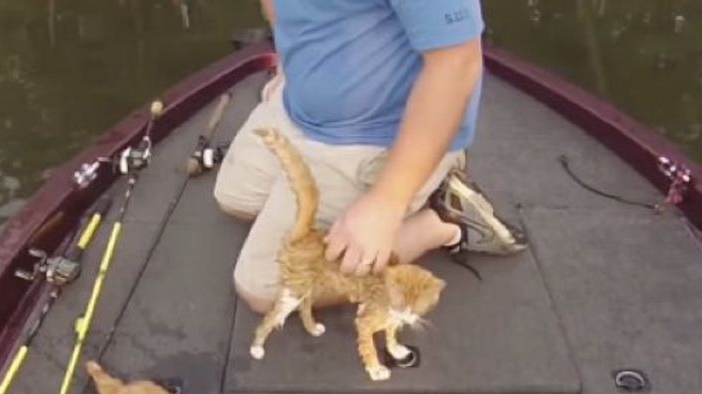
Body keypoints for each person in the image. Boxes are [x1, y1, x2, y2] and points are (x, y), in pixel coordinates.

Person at [214, 0, 526, 313]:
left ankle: (445, 219)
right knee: (235, 198)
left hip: (375, 137)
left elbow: (457, 64)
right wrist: (289, 61)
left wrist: (386, 202)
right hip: (299, 108)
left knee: (264, 287)